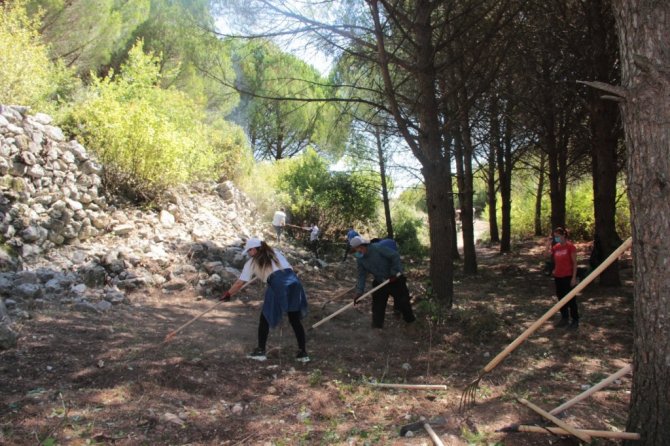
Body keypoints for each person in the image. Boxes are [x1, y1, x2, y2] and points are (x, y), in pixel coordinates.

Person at [221, 238, 310, 362]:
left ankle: (260, 352)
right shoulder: (276, 253)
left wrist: (228, 294)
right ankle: (303, 354)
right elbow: (288, 267)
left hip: (278, 284)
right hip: (294, 282)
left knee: (265, 318)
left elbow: (239, 283)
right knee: (294, 319)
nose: (249, 254)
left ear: (254, 249)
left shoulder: (252, 263)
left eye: (249, 251)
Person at [349, 236, 416, 329]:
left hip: (395, 279)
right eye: (355, 251)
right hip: (380, 281)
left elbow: (395, 256)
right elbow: (361, 275)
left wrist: (394, 272)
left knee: (403, 302)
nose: (357, 252)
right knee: (378, 305)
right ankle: (377, 327)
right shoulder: (360, 259)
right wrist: (359, 292)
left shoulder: (377, 248)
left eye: (358, 249)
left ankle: (410, 322)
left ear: (363, 246)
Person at [548, 227, 579, 329]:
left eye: (557, 236)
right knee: (561, 298)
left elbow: (574, 263)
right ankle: (564, 318)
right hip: (558, 276)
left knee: (571, 299)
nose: (556, 238)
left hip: (568, 276)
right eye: (555, 236)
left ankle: (575, 320)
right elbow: (545, 255)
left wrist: (574, 278)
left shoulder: (570, 247)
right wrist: (548, 244)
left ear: (563, 235)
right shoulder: (556, 247)